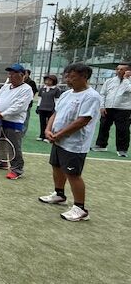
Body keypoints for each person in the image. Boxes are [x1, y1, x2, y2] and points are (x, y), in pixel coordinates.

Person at [38, 63, 101, 221]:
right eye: (66, 76)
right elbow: (55, 113)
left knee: (73, 174)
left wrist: (59, 134)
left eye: (72, 77)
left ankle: (80, 208)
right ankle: (59, 194)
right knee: (56, 166)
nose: (67, 80)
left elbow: (82, 121)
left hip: (75, 144)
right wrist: (48, 130)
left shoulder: (91, 96)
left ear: (84, 77)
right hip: (58, 139)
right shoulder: (66, 94)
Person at [0, 64, 34, 180]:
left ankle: (17, 169)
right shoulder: (6, 87)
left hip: (14, 122)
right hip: (0, 120)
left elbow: (20, 106)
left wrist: (3, 114)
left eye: (13, 74)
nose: (10, 76)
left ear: (22, 75)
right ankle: (1, 162)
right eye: (10, 74)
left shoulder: (27, 89)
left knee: (14, 146)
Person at [92, 63, 131, 157]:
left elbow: (128, 89)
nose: (118, 71)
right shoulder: (109, 81)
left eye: (122, 69)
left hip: (124, 109)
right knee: (103, 126)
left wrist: (126, 79)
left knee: (123, 129)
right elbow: (103, 94)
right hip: (108, 107)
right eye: (117, 69)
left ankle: (122, 149)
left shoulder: (128, 82)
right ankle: (101, 145)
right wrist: (102, 106)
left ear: (128, 71)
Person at [36, 75, 62, 142]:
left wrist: (56, 109)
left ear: (54, 81)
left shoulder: (56, 90)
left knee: (50, 123)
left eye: (50, 80)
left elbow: (57, 100)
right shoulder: (42, 89)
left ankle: (48, 137)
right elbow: (40, 98)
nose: (47, 81)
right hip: (42, 108)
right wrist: (38, 106)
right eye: (46, 80)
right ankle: (42, 136)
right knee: (42, 122)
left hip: (51, 109)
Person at [23, 69, 38, 135]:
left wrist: (28, 99)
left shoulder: (31, 82)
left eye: (25, 73)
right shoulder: (20, 81)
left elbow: (33, 92)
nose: (24, 75)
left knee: (26, 117)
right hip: (18, 102)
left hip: (27, 103)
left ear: (28, 74)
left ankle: (23, 131)